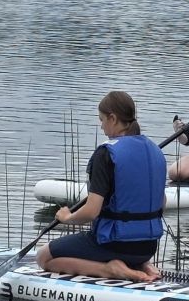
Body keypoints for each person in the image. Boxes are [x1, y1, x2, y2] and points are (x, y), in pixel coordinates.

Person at [36, 91, 165, 283]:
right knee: (128, 246)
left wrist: (67, 218)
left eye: (102, 119)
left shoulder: (105, 154)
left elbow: (91, 211)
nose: (101, 126)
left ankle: (110, 269)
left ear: (113, 118)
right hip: (147, 247)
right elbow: (161, 202)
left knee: (43, 257)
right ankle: (140, 264)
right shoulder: (155, 150)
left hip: (113, 243)